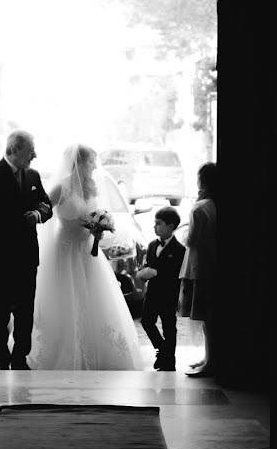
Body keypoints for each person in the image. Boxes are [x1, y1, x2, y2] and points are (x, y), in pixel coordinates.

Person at [28, 144, 145, 370]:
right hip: (65, 251)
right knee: (67, 300)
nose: (94, 165)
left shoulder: (91, 187)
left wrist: (98, 229)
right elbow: (44, 214)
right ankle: (64, 351)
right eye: (91, 161)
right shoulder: (60, 188)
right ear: (79, 162)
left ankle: (95, 351)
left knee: (93, 299)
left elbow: (93, 214)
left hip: (88, 251)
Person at [0, 129, 53, 369]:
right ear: (13, 150)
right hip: (1, 256)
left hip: (28, 255)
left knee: (25, 309)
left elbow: (47, 204)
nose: (35, 155)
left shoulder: (33, 176)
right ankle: (0, 356)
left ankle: (21, 356)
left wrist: (38, 214)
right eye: (31, 151)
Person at [138, 206, 186, 371]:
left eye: (158, 224)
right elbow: (148, 264)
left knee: (168, 326)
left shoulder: (180, 250)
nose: (154, 227)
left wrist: (156, 273)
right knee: (146, 321)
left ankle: (168, 360)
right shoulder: (152, 245)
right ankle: (163, 350)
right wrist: (144, 274)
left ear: (170, 226)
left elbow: (176, 274)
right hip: (152, 293)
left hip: (168, 294)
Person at [181, 162, 218, 377]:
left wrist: (185, 234)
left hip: (198, 266)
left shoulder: (199, 207)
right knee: (210, 316)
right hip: (211, 262)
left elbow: (192, 239)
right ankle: (209, 358)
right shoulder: (214, 204)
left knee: (206, 317)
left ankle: (209, 362)